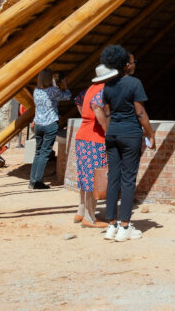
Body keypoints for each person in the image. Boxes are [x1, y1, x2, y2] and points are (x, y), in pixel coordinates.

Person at [101, 46, 156, 242]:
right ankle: (125, 226)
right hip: (130, 134)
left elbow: (107, 113)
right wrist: (151, 134)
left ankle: (111, 225)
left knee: (113, 178)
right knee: (128, 179)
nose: (134, 65)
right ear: (125, 65)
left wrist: (110, 133)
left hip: (113, 134)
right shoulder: (134, 83)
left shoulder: (107, 86)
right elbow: (140, 113)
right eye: (132, 62)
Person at [72, 63, 116, 228]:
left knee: (85, 176)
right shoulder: (103, 90)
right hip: (94, 138)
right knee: (93, 178)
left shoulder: (90, 88)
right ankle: (90, 218)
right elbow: (97, 108)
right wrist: (106, 130)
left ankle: (81, 211)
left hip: (82, 136)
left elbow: (78, 101)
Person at [29, 68, 71, 189]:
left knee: (38, 152)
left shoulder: (36, 91)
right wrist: (64, 84)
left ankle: (32, 180)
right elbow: (67, 97)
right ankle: (38, 181)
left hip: (38, 124)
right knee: (45, 153)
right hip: (50, 124)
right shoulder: (53, 90)